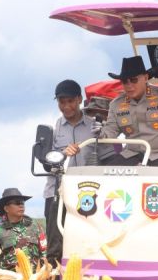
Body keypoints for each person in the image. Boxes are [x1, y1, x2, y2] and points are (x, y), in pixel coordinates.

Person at [42, 80, 110, 266]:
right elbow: (46, 162)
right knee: (55, 244)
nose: (66, 106)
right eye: (61, 102)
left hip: (88, 193)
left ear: (79, 99)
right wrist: (63, 154)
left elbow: (110, 157)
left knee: (88, 241)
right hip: (57, 193)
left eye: (70, 101)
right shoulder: (53, 130)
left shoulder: (94, 127)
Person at [97, 55, 158, 166]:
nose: (129, 85)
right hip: (132, 154)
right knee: (109, 171)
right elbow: (110, 132)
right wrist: (99, 132)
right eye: (125, 81)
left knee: (156, 177)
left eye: (133, 80)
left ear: (145, 77)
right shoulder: (116, 104)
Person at [0, 188, 46, 271]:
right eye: (17, 203)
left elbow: (45, 254)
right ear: (6, 209)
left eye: (22, 203)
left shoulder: (35, 227)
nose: (21, 205)